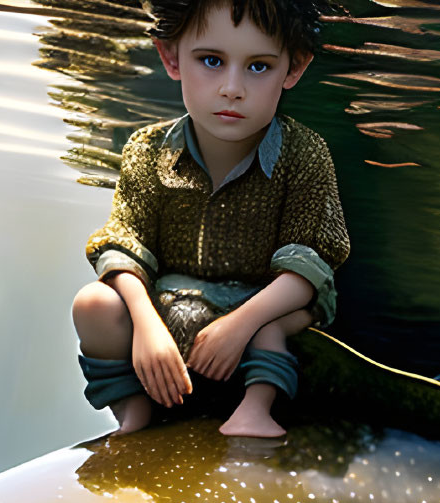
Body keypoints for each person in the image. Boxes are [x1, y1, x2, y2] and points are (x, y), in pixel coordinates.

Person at [72, 0, 349, 438]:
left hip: (265, 306)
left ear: (293, 69)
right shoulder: (147, 150)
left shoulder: (305, 155)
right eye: (212, 61)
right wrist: (145, 324)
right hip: (169, 304)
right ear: (170, 56)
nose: (232, 88)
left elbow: (312, 262)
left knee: (274, 325)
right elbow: (124, 241)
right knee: (94, 304)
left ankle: (257, 407)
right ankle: (134, 411)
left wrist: (242, 322)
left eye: (258, 67)